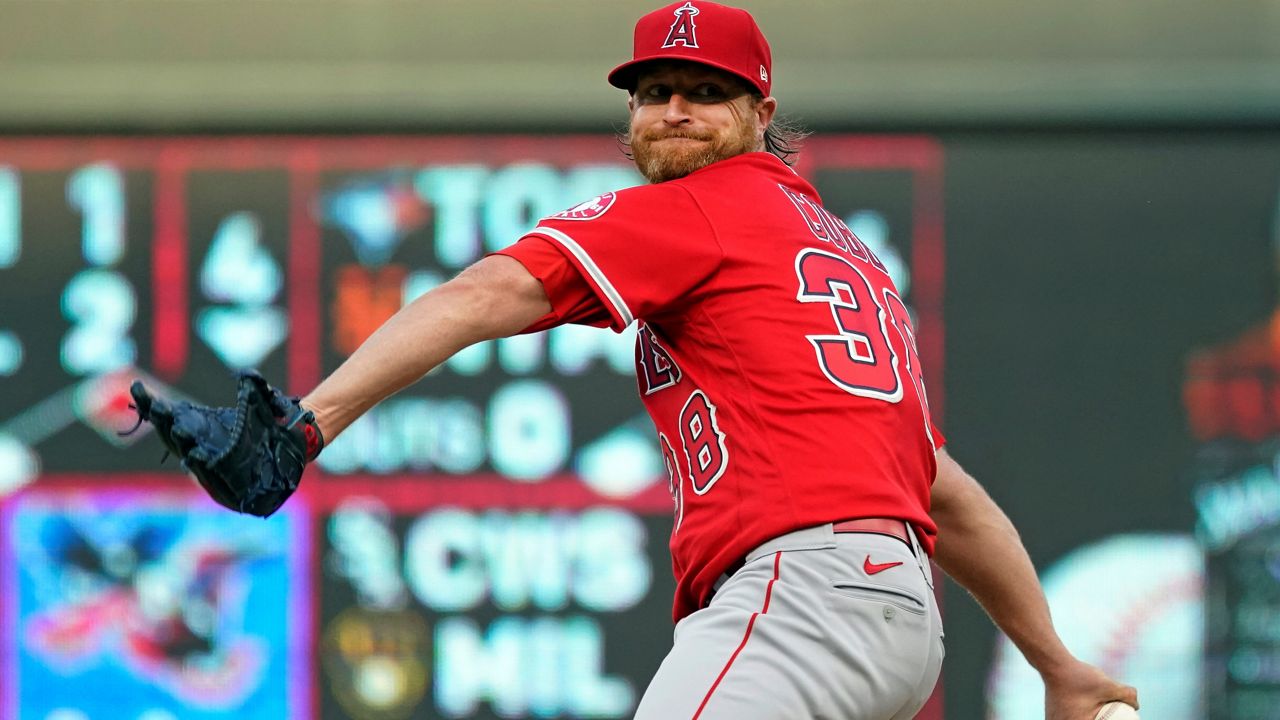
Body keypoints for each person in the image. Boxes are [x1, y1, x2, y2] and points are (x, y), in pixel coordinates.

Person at [294, 2, 1139, 718]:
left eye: (707, 92)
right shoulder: (846, 258)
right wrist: (1055, 664)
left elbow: (478, 295)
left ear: (762, 115)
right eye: (654, 93)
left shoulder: (702, 209)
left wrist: (309, 423)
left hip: (801, 597)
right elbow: (946, 496)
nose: (674, 111)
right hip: (897, 622)